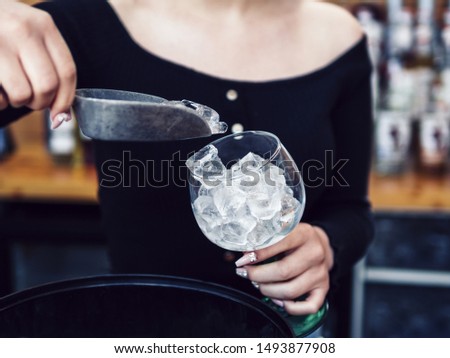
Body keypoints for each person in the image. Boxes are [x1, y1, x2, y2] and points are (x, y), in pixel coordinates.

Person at [0, 0, 374, 332]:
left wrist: (326, 246)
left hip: (289, 334)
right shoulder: (86, 20)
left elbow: (351, 211)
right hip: (145, 331)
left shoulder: (339, 35)